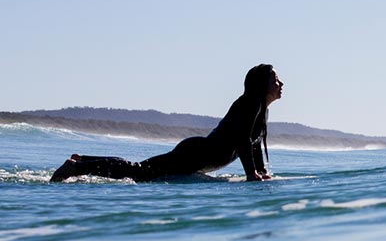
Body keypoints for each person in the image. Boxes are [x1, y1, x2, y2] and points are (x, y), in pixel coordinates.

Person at [50, 64, 284, 183]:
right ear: (261, 84)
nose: (281, 83)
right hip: (194, 154)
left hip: (197, 155)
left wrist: (260, 171)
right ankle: (77, 168)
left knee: (140, 170)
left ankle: (83, 161)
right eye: (275, 79)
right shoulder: (251, 103)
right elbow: (242, 139)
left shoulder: (260, 108)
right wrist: (252, 174)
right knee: (139, 173)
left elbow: (253, 144)